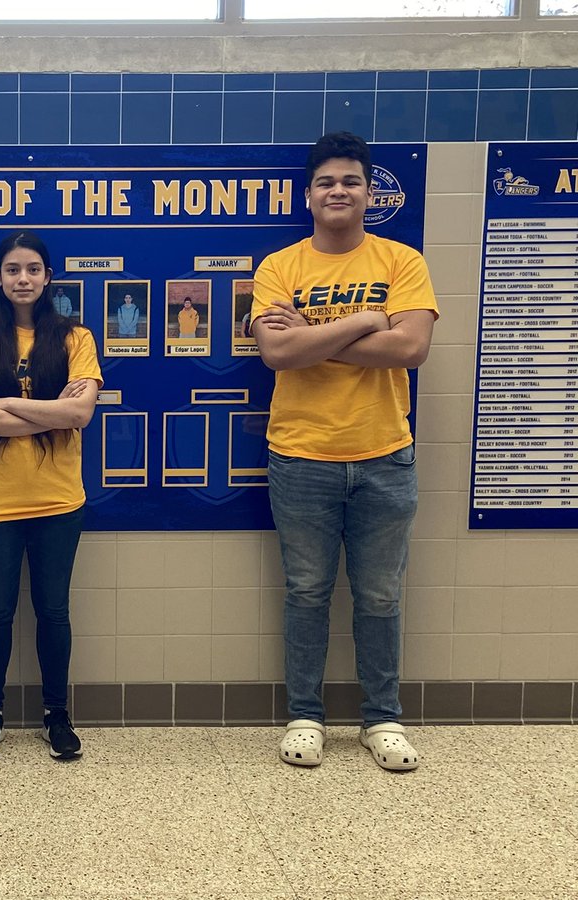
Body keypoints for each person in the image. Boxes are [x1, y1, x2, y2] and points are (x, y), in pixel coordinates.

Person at [251, 132, 437, 771]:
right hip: (301, 456)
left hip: (386, 454)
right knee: (306, 591)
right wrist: (363, 323)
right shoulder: (280, 267)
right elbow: (276, 353)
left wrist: (313, 334)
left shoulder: (402, 262)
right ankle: (306, 715)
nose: (338, 190)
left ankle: (381, 719)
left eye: (351, 181)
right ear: (308, 195)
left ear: (367, 193)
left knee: (380, 596)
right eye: (327, 181)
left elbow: (411, 350)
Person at [0, 230, 102, 761]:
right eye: (13, 269)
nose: (23, 279)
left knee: (53, 612)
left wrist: (6, 405)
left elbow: (80, 414)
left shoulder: (75, 338)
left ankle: (56, 714)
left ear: (48, 277)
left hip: (59, 500)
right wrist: (46, 412)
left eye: (33, 269)